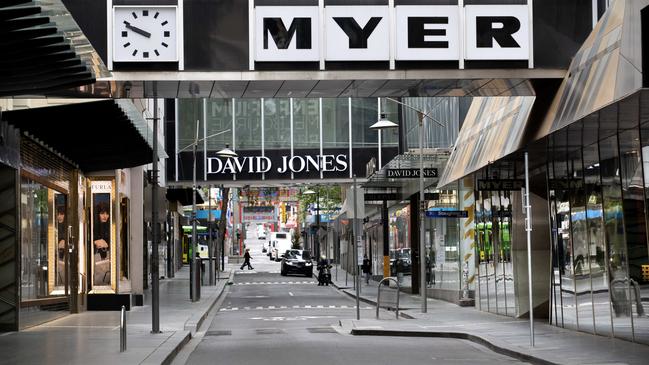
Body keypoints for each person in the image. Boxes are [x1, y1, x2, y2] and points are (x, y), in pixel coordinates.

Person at [93, 200, 111, 285]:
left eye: (107, 213)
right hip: (97, 261)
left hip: (105, 260)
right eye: (102, 213)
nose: (105, 216)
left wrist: (107, 244)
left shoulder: (109, 227)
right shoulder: (93, 228)